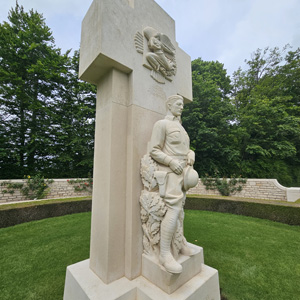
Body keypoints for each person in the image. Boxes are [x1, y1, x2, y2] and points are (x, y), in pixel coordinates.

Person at [149, 94, 198, 273]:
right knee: (174, 210)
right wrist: (170, 162)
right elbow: (154, 149)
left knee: (181, 211)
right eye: (178, 104)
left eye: (182, 104)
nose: (181, 106)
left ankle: (179, 243)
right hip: (170, 173)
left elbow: (185, 149)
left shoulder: (181, 128)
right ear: (169, 105)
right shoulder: (162, 124)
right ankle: (164, 254)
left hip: (183, 174)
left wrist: (191, 153)